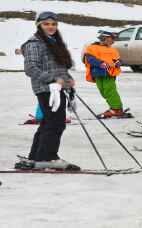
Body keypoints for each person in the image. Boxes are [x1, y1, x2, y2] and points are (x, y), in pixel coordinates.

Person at [17, 11, 79, 170]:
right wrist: (52, 79)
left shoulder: (54, 42)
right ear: (39, 25)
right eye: (46, 24)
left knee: (48, 122)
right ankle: (47, 157)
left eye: (53, 24)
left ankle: (36, 157)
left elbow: (58, 67)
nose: (50, 27)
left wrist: (68, 79)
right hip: (46, 88)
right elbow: (30, 68)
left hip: (57, 87)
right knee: (56, 123)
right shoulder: (34, 43)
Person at [84, 31, 129, 119]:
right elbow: (90, 58)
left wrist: (118, 63)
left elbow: (117, 60)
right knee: (103, 91)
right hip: (97, 73)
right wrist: (100, 63)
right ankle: (114, 107)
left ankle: (116, 108)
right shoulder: (92, 48)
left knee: (110, 90)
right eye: (111, 39)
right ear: (104, 38)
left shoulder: (113, 50)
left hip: (109, 73)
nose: (113, 42)